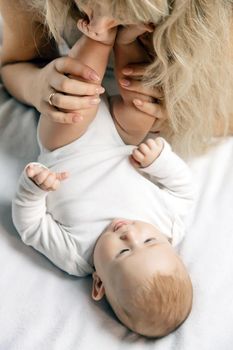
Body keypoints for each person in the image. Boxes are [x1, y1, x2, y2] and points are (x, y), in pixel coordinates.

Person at [12, 17, 193, 338]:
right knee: (143, 105)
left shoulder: (74, 255)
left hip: (68, 143)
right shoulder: (171, 226)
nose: (130, 235)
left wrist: (34, 189)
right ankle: (127, 40)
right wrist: (160, 160)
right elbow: (184, 190)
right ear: (169, 246)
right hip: (123, 139)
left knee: (76, 102)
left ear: (99, 283)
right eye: (149, 241)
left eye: (123, 252)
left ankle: (101, 35)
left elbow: (30, 226)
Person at [0, 0, 232, 157]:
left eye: (122, 18)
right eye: (91, 3)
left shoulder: (219, 19)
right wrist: (36, 84)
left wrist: (178, 115)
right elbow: (13, 64)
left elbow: (226, 119)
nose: (97, 27)